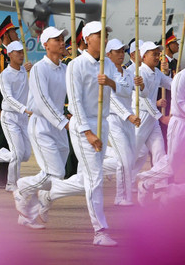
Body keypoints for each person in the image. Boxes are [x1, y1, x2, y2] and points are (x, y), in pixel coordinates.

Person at [29, 22, 118, 246]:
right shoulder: (75, 66)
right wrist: (86, 132)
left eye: (106, 35)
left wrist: (112, 82)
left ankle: (49, 193)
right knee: (95, 178)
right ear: (87, 39)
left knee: (90, 177)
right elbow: (74, 103)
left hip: (103, 124)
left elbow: (124, 90)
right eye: (100, 35)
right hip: (82, 127)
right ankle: (100, 231)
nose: (105, 39)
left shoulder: (107, 63)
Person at [12, 27, 69, 229]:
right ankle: (22, 188)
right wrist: (64, 122)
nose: (62, 42)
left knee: (58, 175)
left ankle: (28, 215)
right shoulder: (39, 69)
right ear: (46, 45)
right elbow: (43, 101)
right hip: (42, 125)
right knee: (55, 174)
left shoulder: (64, 69)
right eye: (57, 39)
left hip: (59, 126)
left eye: (63, 39)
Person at [137, 41, 185, 203]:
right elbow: (180, 103)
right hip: (181, 123)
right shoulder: (182, 77)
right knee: (172, 163)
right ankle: (146, 181)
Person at [105, 38, 142, 206]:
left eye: (122, 51)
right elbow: (111, 99)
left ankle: (122, 196)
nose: (121, 54)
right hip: (114, 119)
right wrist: (128, 115)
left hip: (128, 120)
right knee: (125, 159)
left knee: (129, 158)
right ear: (108, 55)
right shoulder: (105, 75)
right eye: (117, 52)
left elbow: (143, 93)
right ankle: (121, 197)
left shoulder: (128, 73)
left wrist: (142, 85)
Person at [0, 41, 31, 192]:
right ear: (9, 54)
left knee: (26, 155)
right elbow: (7, 98)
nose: (21, 54)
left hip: (23, 117)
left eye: (22, 52)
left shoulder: (24, 72)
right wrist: (24, 108)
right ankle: (11, 184)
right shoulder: (5, 75)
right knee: (17, 153)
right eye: (17, 52)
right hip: (9, 117)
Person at [132, 42, 171, 183]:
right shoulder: (140, 73)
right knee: (133, 154)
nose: (157, 57)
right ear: (144, 56)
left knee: (160, 152)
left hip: (152, 119)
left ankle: (160, 185)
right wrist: (160, 117)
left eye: (158, 54)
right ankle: (127, 182)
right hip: (140, 118)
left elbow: (170, 84)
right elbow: (143, 100)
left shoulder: (157, 72)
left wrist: (184, 79)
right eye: (154, 54)